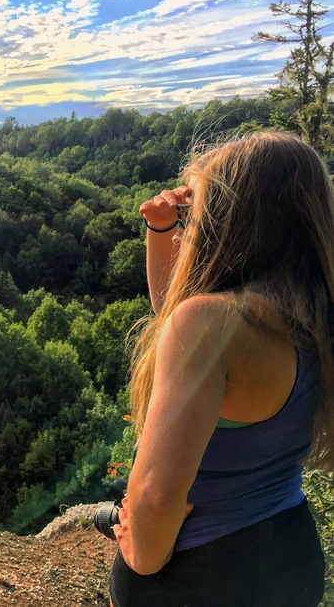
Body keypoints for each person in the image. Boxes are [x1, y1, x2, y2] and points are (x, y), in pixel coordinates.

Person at [108, 132, 331, 606]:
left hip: (199, 571)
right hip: (290, 550)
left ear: (228, 219)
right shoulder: (316, 314)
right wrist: (163, 230)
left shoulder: (215, 325)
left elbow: (158, 498)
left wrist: (139, 555)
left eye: (197, 211)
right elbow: (178, 313)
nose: (192, 224)